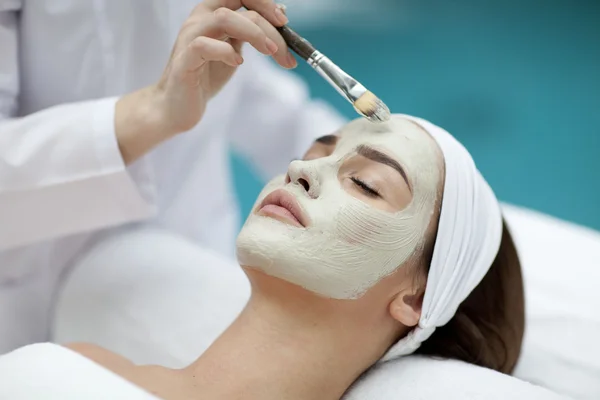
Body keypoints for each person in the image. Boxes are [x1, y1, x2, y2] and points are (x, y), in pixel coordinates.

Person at [65, 115, 525, 400]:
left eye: (366, 183)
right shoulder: (73, 370)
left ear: (418, 297)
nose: (302, 169)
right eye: (313, 152)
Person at [0, 0, 345, 352]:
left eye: (368, 186)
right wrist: (155, 110)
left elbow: (261, 99)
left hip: (198, 277)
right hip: (30, 305)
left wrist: (372, 148)